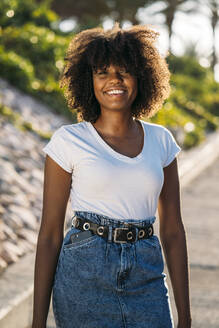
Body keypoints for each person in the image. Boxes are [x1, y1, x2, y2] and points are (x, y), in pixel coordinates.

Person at [32, 23, 191, 328]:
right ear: (88, 80)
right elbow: (50, 234)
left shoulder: (161, 141)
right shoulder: (68, 141)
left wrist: (185, 315)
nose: (114, 80)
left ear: (142, 76)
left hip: (146, 275)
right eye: (102, 72)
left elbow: (173, 230)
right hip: (83, 273)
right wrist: (38, 321)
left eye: (124, 71)